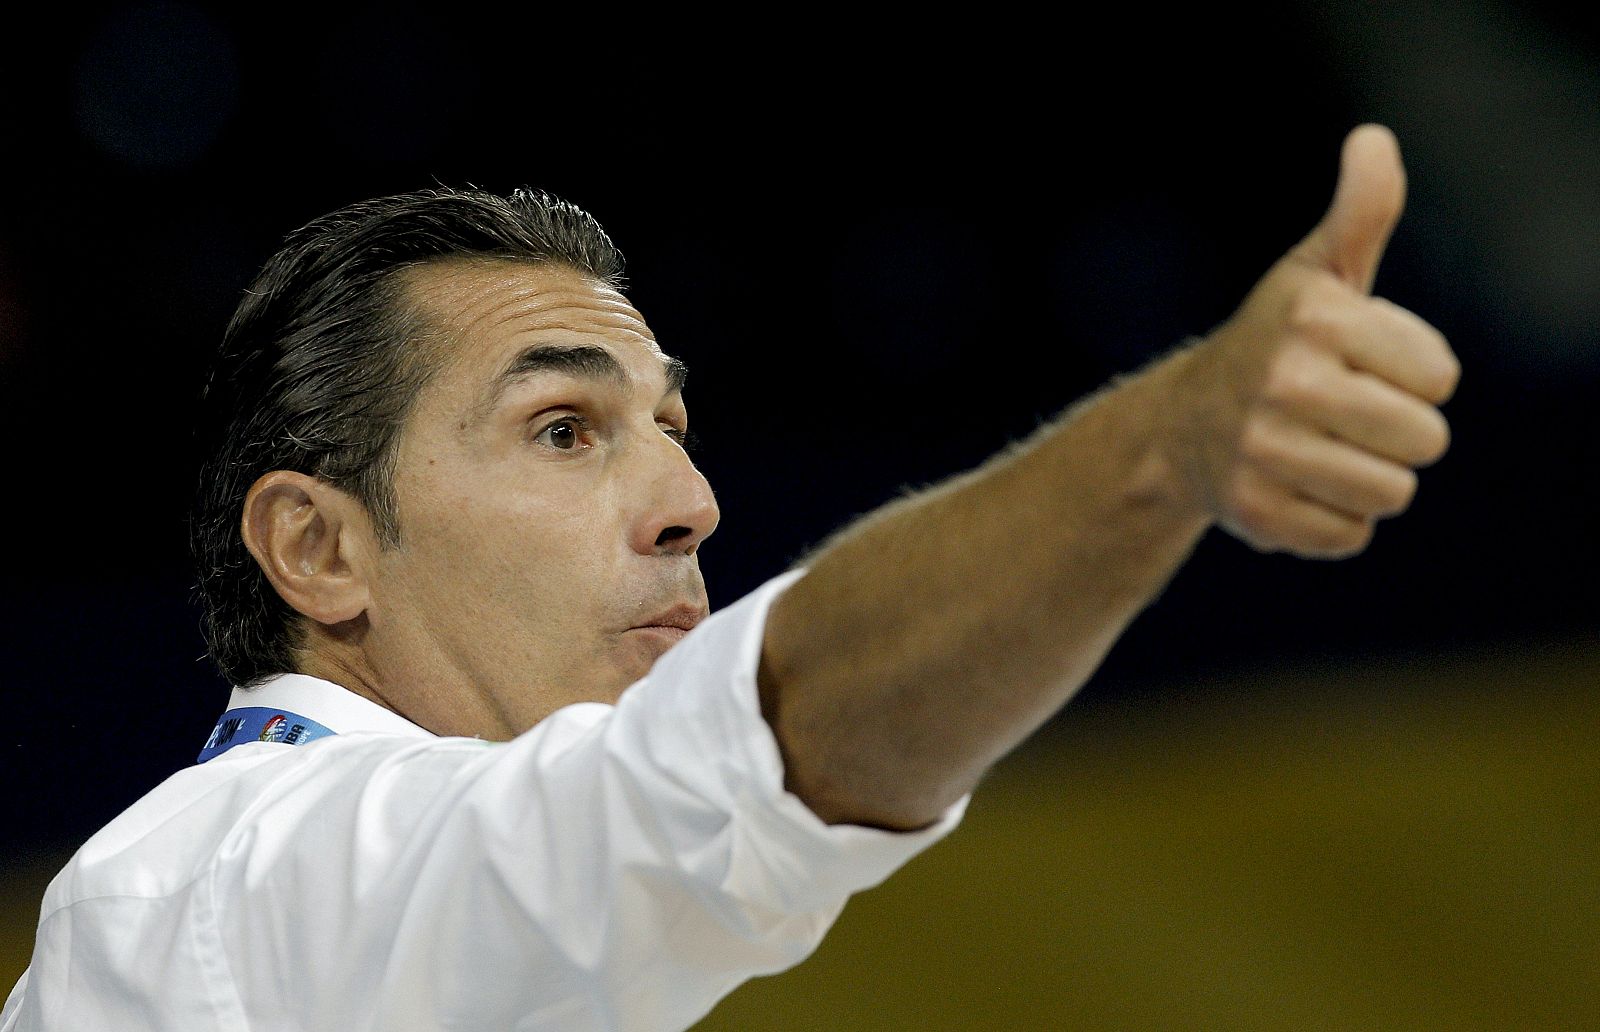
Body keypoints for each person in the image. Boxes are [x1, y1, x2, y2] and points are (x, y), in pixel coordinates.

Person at [1, 124, 1457, 1031]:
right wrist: (1168, 450)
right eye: (562, 429)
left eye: (673, 433)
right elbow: (710, 781)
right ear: (319, 548)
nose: (691, 506)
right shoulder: (237, 886)